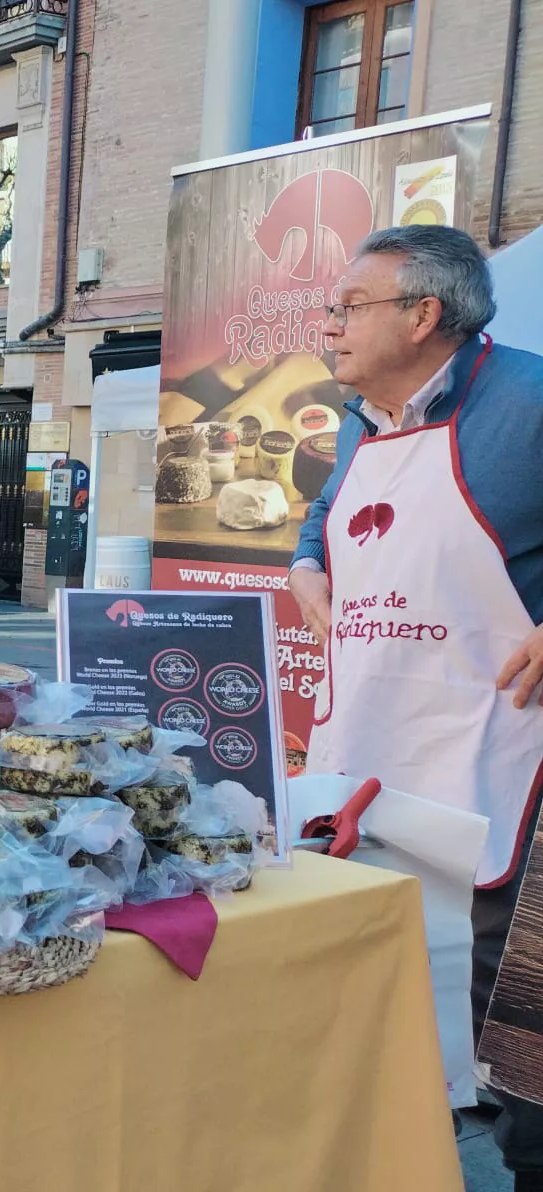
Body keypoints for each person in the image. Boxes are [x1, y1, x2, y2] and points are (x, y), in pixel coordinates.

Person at [285, 226, 543, 1188]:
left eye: (350, 307)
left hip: (504, 746)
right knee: (379, 965)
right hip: (378, 740)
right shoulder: (361, 417)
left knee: (505, 1005)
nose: (331, 326)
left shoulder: (528, 398)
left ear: (423, 314)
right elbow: (324, 517)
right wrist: (309, 565)